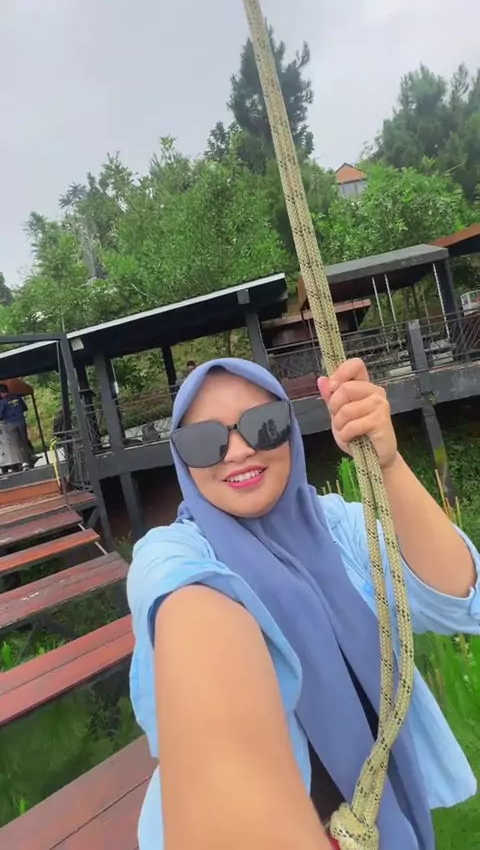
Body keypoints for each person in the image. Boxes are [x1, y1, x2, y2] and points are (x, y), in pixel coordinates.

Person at [127, 357, 479, 850]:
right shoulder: (170, 554)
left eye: (263, 425)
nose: (240, 451)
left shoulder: (340, 528)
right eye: (205, 441)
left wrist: (388, 464)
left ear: (290, 430)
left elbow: (460, 601)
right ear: (182, 459)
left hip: (384, 817)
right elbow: (195, 621)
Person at [0, 384, 34, 471]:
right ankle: (28, 461)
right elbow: (25, 408)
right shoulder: (17, 398)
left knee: (15, 444)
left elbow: (1, 415)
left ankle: (22, 463)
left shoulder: (2, 402)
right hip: (21, 422)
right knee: (24, 441)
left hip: (10, 424)